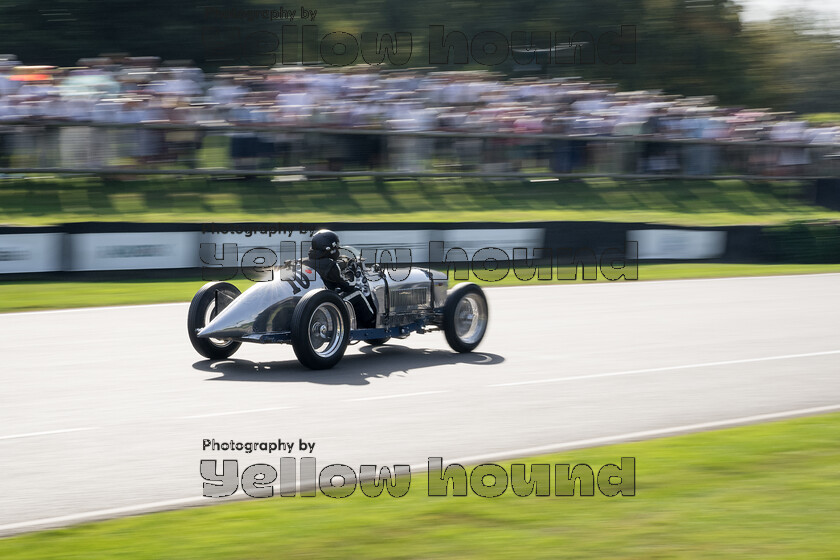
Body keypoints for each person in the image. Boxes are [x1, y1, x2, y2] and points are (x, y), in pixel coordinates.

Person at [303, 229, 376, 326]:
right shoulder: (330, 266)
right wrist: (351, 271)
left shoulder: (303, 262)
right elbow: (348, 286)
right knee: (357, 293)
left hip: (306, 301)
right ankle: (371, 322)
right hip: (325, 301)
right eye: (336, 248)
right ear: (330, 249)